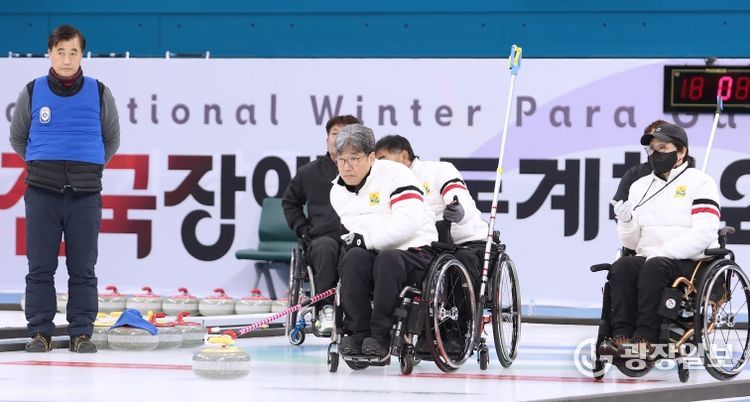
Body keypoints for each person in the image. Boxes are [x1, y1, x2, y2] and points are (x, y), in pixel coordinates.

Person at [9, 25, 120, 353]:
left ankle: (81, 333)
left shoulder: (100, 92)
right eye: (61, 52)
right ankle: (40, 332)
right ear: (50, 54)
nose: (67, 59)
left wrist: (88, 168)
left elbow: (111, 139)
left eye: (73, 52)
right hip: (42, 192)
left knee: (83, 267)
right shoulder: (32, 91)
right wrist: (44, 165)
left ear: (82, 55)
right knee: (40, 267)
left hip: (85, 195)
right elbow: (18, 138)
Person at [600, 122, 721, 360]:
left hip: (689, 261)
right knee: (623, 266)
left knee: (655, 266)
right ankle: (621, 337)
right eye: (652, 149)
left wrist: (664, 251)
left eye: (663, 148)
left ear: (681, 151)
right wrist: (626, 222)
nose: (656, 154)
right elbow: (632, 243)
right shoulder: (639, 186)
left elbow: (705, 232)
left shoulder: (701, 182)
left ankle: (644, 339)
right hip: (649, 258)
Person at [330, 124, 438, 358]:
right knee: (353, 259)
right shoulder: (337, 191)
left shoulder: (397, 174)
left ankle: (381, 336)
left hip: (414, 248)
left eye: (354, 158)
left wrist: (368, 239)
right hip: (375, 251)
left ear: (371, 157)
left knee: (388, 259)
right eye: (341, 159)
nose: (346, 167)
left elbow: (408, 221)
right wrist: (367, 239)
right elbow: (359, 227)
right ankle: (358, 332)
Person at [374, 134, 488, 287]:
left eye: (382, 160)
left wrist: (459, 211)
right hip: (422, 248)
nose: (379, 166)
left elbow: (459, 197)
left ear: (404, 156)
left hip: (463, 242)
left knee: (461, 260)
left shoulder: (439, 170)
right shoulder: (384, 186)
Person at [281, 115, 360, 333]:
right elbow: (290, 202)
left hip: (361, 237)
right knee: (325, 247)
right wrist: (303, 229)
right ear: (327, 141)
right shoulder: (309, 172)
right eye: (335, 134)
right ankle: (326, 309)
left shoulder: (371, 172)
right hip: (323, 240)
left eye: (347, 133)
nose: (340, 138)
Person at [612, 119, 668, 203]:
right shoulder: (634, 174)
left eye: (661, 144)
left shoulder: (686, 173)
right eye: (652, 145)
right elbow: (618, 206)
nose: (656, 148)